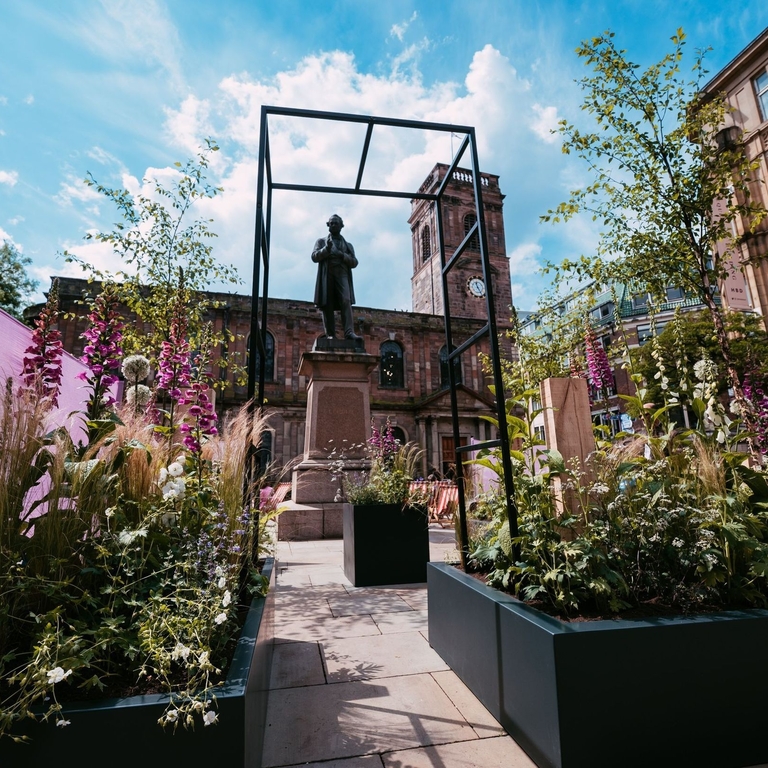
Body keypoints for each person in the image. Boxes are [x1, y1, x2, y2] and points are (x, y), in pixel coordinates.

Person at [311, 214, 361, 340]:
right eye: (331, 223)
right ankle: (330, 334)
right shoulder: (321, 241)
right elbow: (314, 257)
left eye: (335, 223)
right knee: (327, 302)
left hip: (342, 273)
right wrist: (326, 250)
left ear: (341, 226)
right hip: (327, 274)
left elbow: (354, 262)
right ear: (328, 225)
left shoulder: (348, 245)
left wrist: (342, 255)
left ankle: (349, 332)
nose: (333, 225)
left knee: (346, 300)